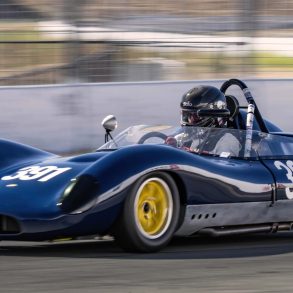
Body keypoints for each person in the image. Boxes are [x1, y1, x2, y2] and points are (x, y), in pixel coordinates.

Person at [168, 85, 241, 157]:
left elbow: (222, 167)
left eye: (196, 116)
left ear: (214, 116)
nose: (190, 120)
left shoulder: (228, 141)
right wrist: (172, 145)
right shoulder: (190, 135)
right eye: (187, 115)